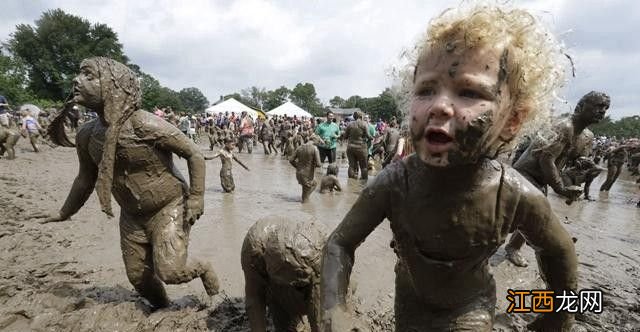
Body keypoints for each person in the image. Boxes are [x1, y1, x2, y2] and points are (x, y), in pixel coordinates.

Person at [320, 5, 577, 331]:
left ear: (512, 120)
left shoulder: (513, 195)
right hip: (410, 299)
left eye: (469, 92)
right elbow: (340, 244)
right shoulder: (395, 183)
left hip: (471, 306)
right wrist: (334, 309)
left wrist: (558, 314)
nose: (439, 105)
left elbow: (559, 251)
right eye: (426, 90)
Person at [43, 57, 220, 309]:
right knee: (138, 277)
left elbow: (194, 153)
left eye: (89, 76)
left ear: (115, 87)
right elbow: (85, 179)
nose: (77, 80)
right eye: (79, 74)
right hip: (132, 216)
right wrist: (64, 212)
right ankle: (164, 308)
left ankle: (204, 268)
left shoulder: (143, 123)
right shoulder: (86, 134)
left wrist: (197, 197)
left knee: (169, 271)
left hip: (168, 205)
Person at [505, 91, 610, 267]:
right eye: (599, 106)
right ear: (582, 106)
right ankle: (536, 241)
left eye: (606, 108)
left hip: (542, 179)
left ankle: (515, 246)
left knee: (532, 214)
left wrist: (586, 167)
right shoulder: (564, 126)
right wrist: (560, 188)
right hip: (526, 173)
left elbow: (574, 161)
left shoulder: (587, 137)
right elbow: (546, 159)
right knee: (531, 212)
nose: (602, 111)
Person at [241, 217, 327, 332]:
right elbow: (254, 298)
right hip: (276, 279)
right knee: (282, 322)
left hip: (311, 270)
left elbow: (317, 304)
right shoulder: (253, 248)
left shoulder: (319, 247)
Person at [289, 133, 321, 203]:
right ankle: (305, 207)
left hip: (299, 173)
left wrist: (297, 167)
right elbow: (319, 164)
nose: (318, 144)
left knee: (314, 184)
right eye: (318, 142)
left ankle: (304, 200)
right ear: (314, 140)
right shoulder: (314, 148)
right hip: (308, 174)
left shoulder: (299, 147)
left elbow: (291, 160)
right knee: (305, 198)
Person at [343, 111, 372, 180]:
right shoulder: (364, 124)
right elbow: (368, 136)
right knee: (364, 167)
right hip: (361, 147)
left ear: (354, 117)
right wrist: (373, 137)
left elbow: (345, 136)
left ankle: (351, 183)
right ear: (361, 116)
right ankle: (364, 183)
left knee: (351, 166)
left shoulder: (350, 124)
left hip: (351, 148)